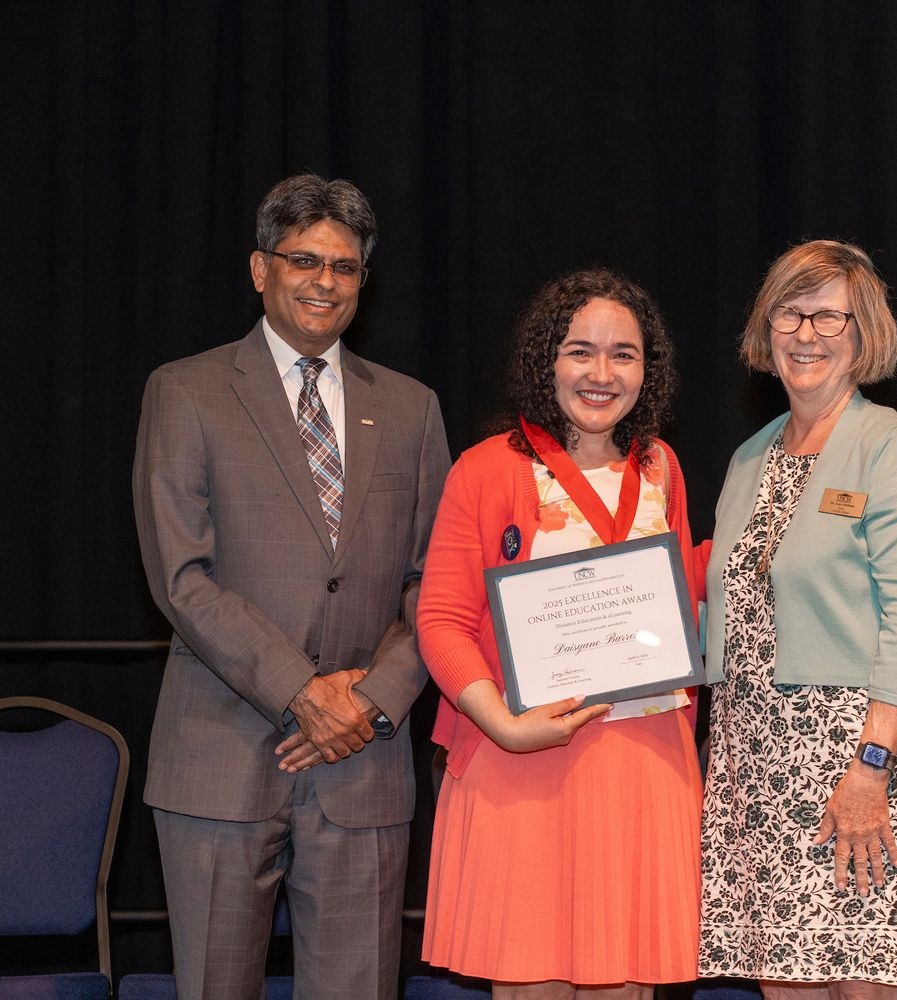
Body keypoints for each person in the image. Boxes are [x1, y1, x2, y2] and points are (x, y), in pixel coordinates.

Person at [132, 173, 450, 999]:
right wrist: (300, 691)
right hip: (220, 755)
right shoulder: (185, 390)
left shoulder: (412, 410)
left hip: (364, 758)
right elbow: (181, 576)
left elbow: (438, 583)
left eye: (344, 267)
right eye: (303, 259)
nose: (324, 281)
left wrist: (370, 701)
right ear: (258, 268)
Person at [417, 269, 702, 999]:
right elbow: (442, 619)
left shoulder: (661, 467)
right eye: (581, 351)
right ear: (547, 359)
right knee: (530, 985)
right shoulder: (486, 470)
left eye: (624, 355)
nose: (601, 374)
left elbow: (676, 603)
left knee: (629, 989)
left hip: (643, 766)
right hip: (523, 764)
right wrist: (503, 724)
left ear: (649, 368)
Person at [698, 240, 897, 999]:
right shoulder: (749, 457)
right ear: (764, 326)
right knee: (785, 983)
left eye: (828, 315)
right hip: (755, 765)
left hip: (852, 756)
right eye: (790, 311)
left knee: (864, 982)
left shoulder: (893, 450)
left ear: (863, 329)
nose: (806, 332)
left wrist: (872, 767)